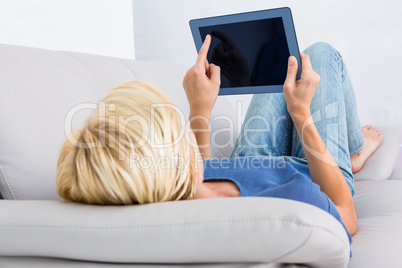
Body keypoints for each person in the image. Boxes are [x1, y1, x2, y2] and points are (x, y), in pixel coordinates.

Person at [56, 35, 383, 243]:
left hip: (248, 163)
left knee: (277, 53)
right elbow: (347, 217)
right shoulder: (296, 202)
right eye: (178, 137)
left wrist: (200, 109)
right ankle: (350, 157)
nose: (184, 137)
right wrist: (302, 116)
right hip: (316, 176)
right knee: (321, 53)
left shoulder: (168, 193)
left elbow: (202, 170)